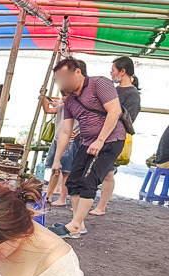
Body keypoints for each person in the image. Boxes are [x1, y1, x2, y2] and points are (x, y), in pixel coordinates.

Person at [49, 57, 126, 239]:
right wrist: (57, 160)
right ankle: (78, 223)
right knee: (73, 180)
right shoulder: (69, 101)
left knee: (88, 181)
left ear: (77, 72)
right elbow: (66, 131)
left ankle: (74, 226)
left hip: (110, 140)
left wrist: (100, 140)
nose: (61, 83)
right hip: (87, 141)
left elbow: (115, 111)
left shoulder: (99, 83)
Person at [90, 56, 141, 216]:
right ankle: (87, 200)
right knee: (94, 170)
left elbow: (130, 119)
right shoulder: (114, 89)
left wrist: (114, 112)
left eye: (113, 70)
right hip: (101, 134)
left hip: (115, 137)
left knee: (108, 173)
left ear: (122, 71)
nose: (111, 73)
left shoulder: (132, 94)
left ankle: (101, 206)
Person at [42, 91, 81, 206]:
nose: (64, 98)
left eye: (66, 95)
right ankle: (49, 194)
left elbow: (88, 122)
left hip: (69, 142)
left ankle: (62, 199)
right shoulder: (63, 107)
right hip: (57, 140)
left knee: (66, 172)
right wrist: (43, 98)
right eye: (63, 95)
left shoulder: (77, 108)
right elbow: (47, 110)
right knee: (55, 170)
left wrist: (79, 133)